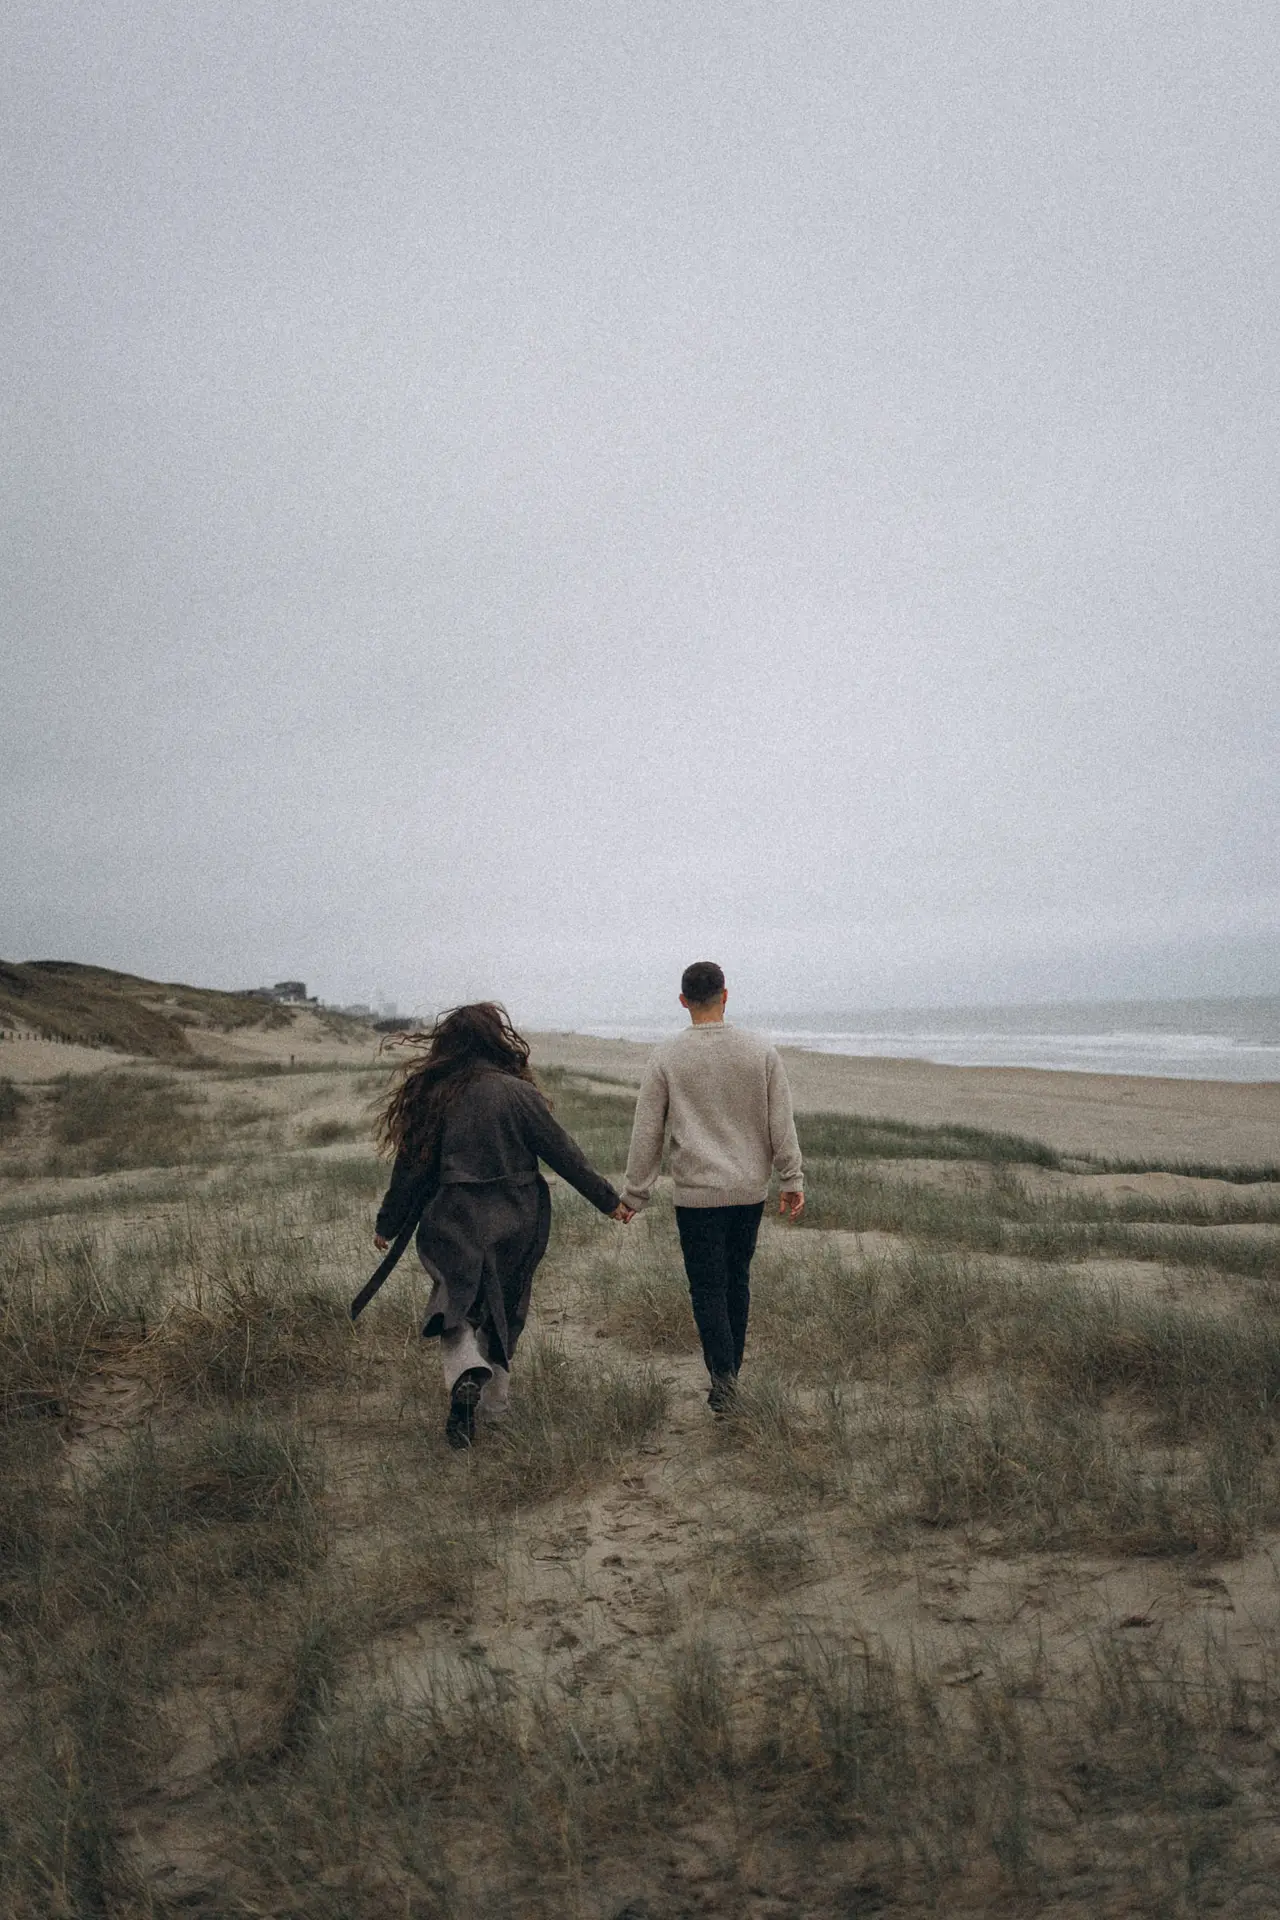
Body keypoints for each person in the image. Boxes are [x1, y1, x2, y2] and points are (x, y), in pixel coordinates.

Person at [373, 1002, 629, 1448]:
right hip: (517, 1214)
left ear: (449, 1046)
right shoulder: (518, 1093)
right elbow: (564, 1154)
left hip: (454, 1212)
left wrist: (388, 1223)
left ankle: (465, 1371)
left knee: (455, 1300)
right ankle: (495, 1407)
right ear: (496, 1041)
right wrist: (608, 1202)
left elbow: (409, 1170)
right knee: (506, 1304)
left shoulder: (434, 1095)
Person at [617, 961, 804, 1412]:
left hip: (697, 1194)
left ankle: (723, 1381)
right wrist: (791, 1176)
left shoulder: (667, 1055)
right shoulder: (760, 1051)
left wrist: (635, 1193)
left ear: (683, 1000)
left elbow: (648, 1131)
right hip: (748, 1191)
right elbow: (781, 1120)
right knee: (736, 1281)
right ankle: (728, 1379)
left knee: (707, 1289)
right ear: (725, 994)